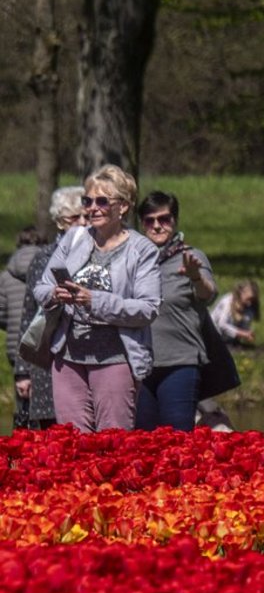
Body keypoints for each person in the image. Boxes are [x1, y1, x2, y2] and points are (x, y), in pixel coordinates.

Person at [34, 164, 161, 432]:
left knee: (113, 444)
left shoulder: (142, 250)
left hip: (115, 358)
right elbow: (41, 287)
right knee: (72, 444)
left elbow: (147, 308)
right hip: (67, 358)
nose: (92, 207)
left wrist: (94, 300)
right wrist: (55, 294)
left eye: (102, 201)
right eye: (87, 201)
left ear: (123, 206)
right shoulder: (74, 237)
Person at [135, 190, 218, 432]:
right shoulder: (134, 260)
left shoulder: (190, 257)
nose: (157, 226)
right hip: (140, 363)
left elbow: (208, 294)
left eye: (164, 219)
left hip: (180, 362)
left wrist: (195, 278)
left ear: (175, 221)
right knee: (142, 443)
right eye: (149, 220)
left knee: (177, 441)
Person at [14, 191, 85, 430]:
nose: (82, 223)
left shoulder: (97, 253)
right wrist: (22, 371)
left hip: (85, 353)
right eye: (74, 218)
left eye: (85, 216)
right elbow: (29, 315)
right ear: (59, 222)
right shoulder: (43, 259)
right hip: (48, 360)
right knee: (50, 437)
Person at [0, 226, 44, 427]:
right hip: (43, 344)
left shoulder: (6, 276)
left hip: (15, 348)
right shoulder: (47, 267)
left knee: (22, 403)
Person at [210, 279, 259, 347]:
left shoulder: (248, 308)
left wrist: (247, 333)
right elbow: (222, 324)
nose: (250, 303)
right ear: (241, 293)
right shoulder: (228, 302)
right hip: (213, 335)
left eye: (252, 300)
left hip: (228, 339)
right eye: (248, 299)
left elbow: (245, 323)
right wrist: (241, 333)